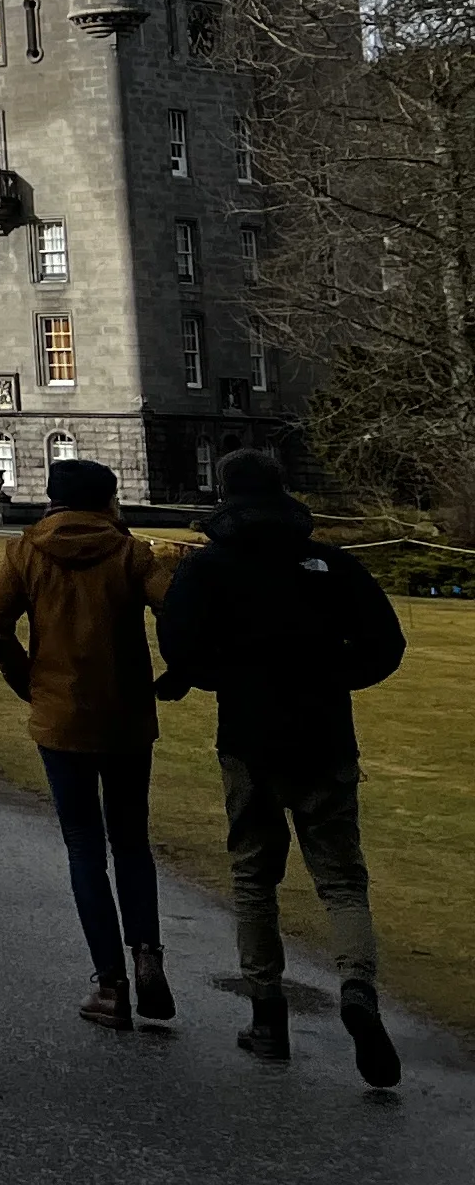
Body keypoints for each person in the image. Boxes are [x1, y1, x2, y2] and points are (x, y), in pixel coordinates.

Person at [156, 447, 409, 1087]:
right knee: (342, 879)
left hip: (249, 737)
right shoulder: (333, 567)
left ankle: (268, 1017)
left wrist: (222, 678)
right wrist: (336, 679)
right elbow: (386, 645)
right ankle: (356, 987)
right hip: (325, 735)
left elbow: (178, 644)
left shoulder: (210, 568)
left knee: (253, 875)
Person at [0, 455, 179, 1030]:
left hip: (60, 719)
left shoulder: (26, 552)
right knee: (132, 842)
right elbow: (178, 612)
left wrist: (28, 681)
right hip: (126, 719)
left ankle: (110, 985)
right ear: (107, 500)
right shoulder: (132, 553)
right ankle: (148, 957)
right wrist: (176, 671)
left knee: (86, 849)